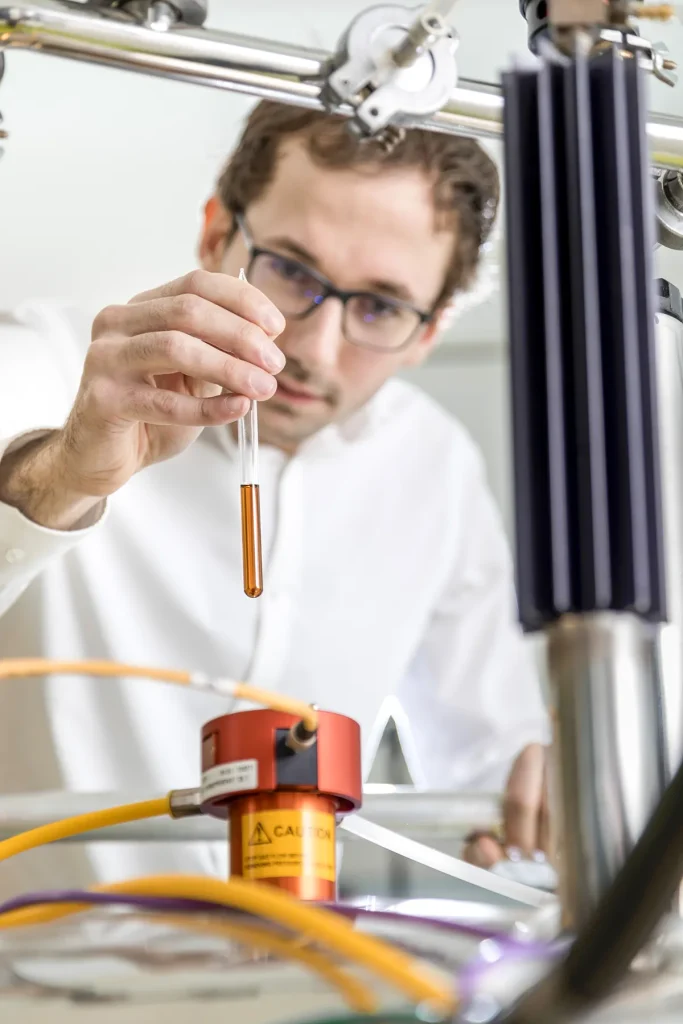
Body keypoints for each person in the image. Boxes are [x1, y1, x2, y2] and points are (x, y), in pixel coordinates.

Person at [0, 101, 549, 893]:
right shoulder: (44, 368)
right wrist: (64, 475)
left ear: (430, 330)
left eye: (380, 307)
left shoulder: (435, 469)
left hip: (289, 982)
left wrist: (550, 782)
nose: (311, 348)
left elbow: (489, 770)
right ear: (216, 231)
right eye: (291, 270)